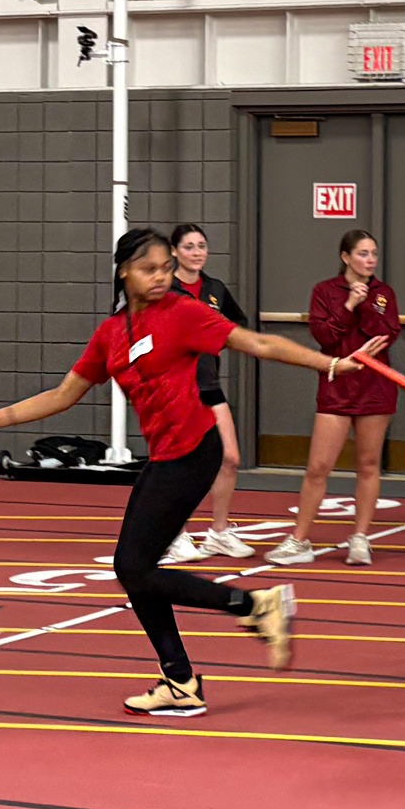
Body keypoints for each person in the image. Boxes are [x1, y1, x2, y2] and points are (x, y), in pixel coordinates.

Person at [0, 228, 386, 718]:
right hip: (165, 457)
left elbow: (258, 343)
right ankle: (181, 680)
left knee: (133, 567)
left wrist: (331, 365)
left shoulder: (184, 313)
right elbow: (62, 395)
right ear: (124, 271)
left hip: (195, 451)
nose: (161, 277)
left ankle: (253, 608)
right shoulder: (111, 333)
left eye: (167, 268)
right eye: (150, 269)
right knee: (136, 570)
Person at [265, 230, 401, 567]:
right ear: (346, 257)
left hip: (375, 387)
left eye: (373, 254)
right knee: (318, 467)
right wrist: (349, 305)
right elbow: (325, 336)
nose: (370, 260)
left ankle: (360, 538)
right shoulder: (324, 291)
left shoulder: (383, 293)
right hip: (336, 386)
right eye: (363, 254)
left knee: (368, 464)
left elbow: (385, 335)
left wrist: (367, 306)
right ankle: (299, 540)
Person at [162, 223, 254, 563]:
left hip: (209, 385)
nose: (197, 252)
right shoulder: (164, 289)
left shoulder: (214, 289)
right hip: (175, 389)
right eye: (189, 246)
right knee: (181, 465)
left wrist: (218, 338)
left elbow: (238, 325)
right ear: (174, 251)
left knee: (229, 458)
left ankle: (219, 533)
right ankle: (174, 535)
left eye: (201, 246)